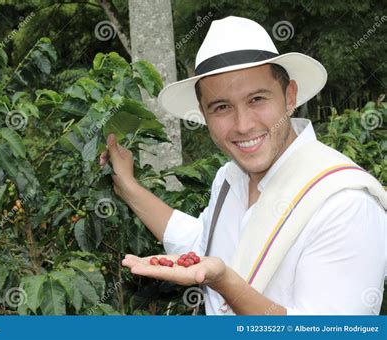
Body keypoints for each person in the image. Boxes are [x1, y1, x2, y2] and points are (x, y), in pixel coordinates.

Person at [99, 16, 387, 315]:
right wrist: (129, 187)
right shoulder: (229, 179)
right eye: (222, 107)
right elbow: (203, 243)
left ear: (289, 97)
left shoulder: (344, 202)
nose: (243, 125)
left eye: (257, 99)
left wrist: (225, 283)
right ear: (203, 113)